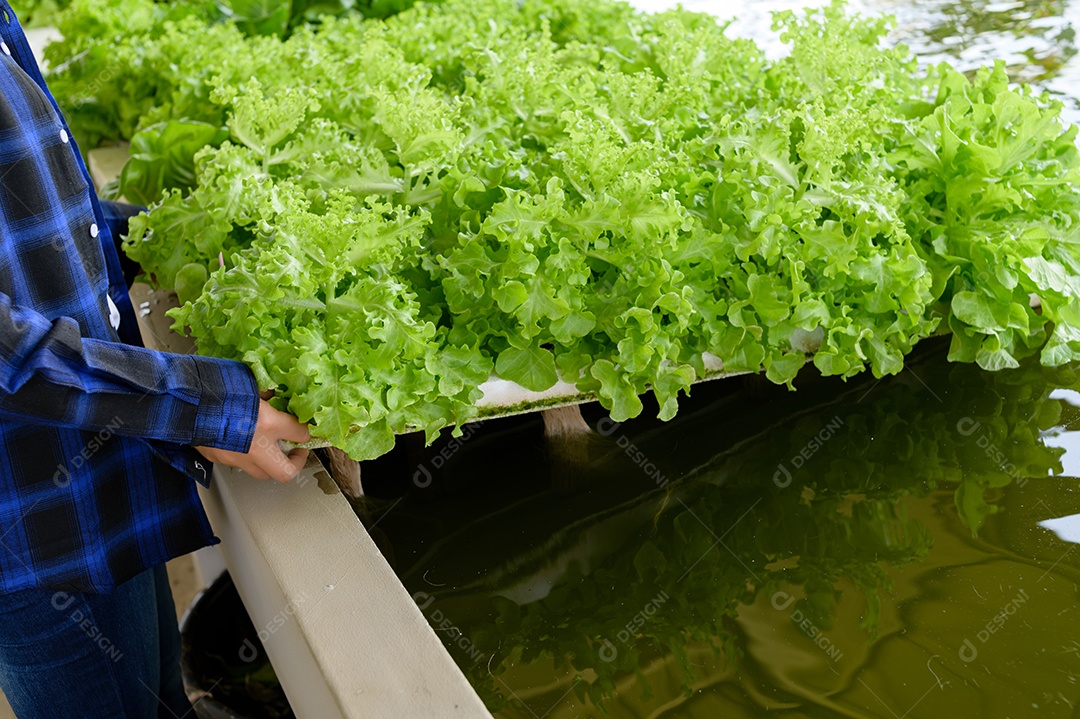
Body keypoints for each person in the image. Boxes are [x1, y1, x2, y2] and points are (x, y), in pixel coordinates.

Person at [0, 1, 313, 716]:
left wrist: (189, 231)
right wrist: (202, 408)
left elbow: (41, 230)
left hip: (98, 475)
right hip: (32, 526)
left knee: (159, 695)